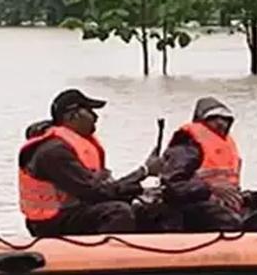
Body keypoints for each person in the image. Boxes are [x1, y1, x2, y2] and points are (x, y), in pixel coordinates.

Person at [18, 88, 162, 236]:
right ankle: (107, 256)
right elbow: (94, 192)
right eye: (90, 111)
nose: (96, 117)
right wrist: (144, 171)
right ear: (72, 116)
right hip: (50, 223)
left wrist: (141, 191)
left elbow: (102, 188)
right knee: (118, 212)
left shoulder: (71, 145)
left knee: (147, 207)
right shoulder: (53, 152)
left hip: (75, 210)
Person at [158, 97, 244, 231]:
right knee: (227, 220)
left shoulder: (227, 147)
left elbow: (230, 185)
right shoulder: (187, 147)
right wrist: (209, 189)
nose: (221, 123)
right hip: (189, 208)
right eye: (214, 118)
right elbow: (173, 186)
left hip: (221, 204)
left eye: (225, 119)